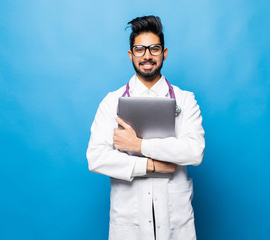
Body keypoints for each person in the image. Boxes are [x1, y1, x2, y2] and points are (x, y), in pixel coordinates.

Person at [86, 15, 205, 240]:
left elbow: (194, 151)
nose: (147, 55)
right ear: (131, 55)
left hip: (175, 220)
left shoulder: (185, 100)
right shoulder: (112, 102)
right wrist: (149, 165)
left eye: (154, 48)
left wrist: (137, 144)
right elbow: (96, 157)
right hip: (128, 223)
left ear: (164, 53)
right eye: (139, 49)